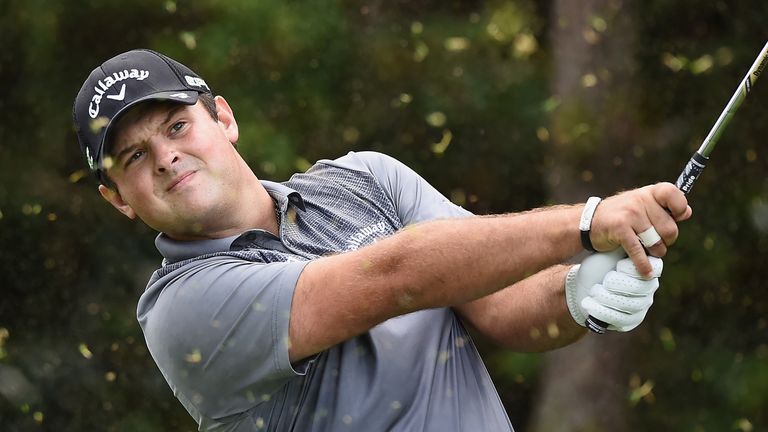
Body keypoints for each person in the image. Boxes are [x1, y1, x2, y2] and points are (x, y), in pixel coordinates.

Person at [72, 49, 691, 431]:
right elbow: (395, 279)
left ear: (223, 118)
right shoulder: (182, 309)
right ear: (118, 199)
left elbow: (500, 307)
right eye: (132, 156)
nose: (165, 157)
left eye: (177, 125)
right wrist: (584, 223)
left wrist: (578, 298)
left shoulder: (367, 178)